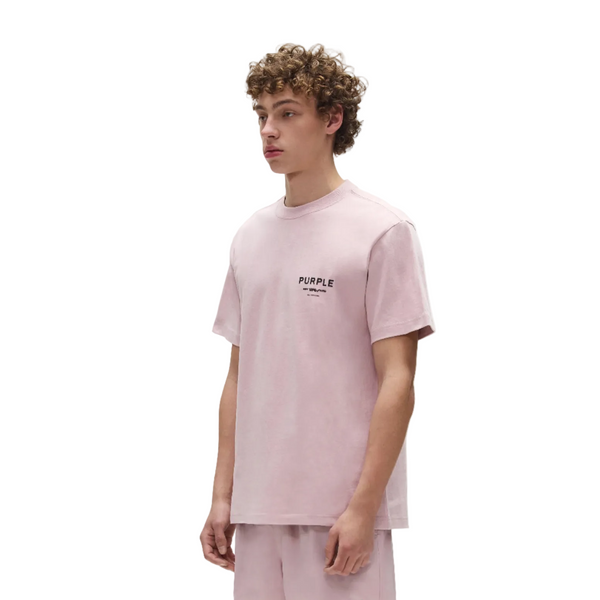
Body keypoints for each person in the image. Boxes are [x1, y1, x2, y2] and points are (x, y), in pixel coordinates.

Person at [200, 43, 436, 600]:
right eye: (262, 114)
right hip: (258, 509)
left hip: (340, 515)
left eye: (287, 113)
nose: (268, 130)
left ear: (332, 119)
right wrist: (222, 496)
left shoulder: (382, 231)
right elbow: (238, 377)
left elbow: (398, 380)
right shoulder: (249, 237)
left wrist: (364, 508)